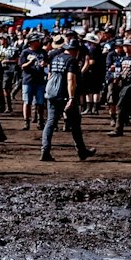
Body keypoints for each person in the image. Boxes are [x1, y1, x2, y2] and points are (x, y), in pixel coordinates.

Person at [39, 33, 94, 163]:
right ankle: (81, 151)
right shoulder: (72, 60)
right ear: (75, 51)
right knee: (75, 124)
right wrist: (71, 98)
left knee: (50, 122)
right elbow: (71, 79)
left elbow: (50, 73)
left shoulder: (55, 57)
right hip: (64, 95)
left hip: (51, 93)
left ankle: (45, 151)